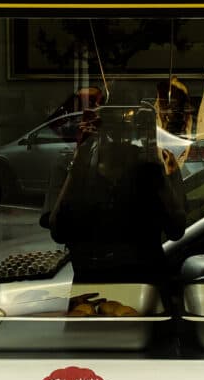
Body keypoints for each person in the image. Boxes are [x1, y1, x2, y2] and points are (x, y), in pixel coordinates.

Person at [46, 106, 187, 290]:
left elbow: (176, 229)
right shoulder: (72, 164)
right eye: (109, 122)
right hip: (91, 284)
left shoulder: (155, 163)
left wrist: (155, 165)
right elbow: (59, 231)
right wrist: (80, 160)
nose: (118, 134)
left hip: (146, 283)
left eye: (126, 121)